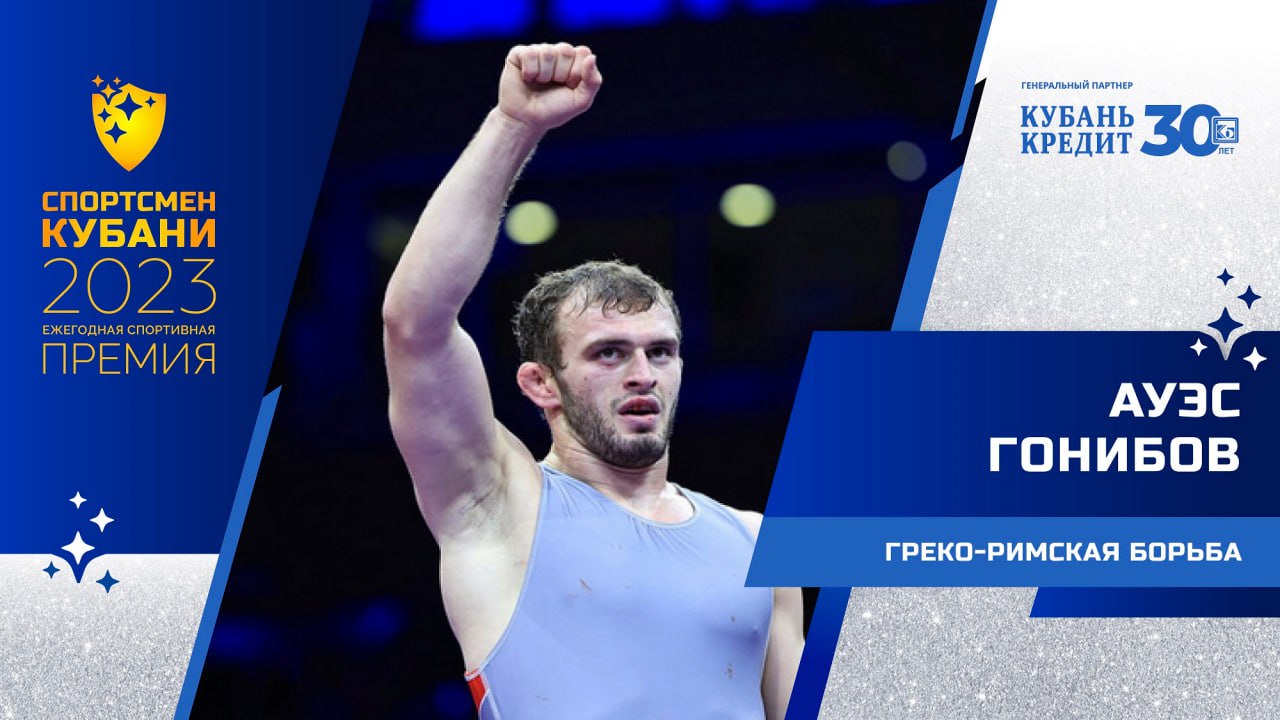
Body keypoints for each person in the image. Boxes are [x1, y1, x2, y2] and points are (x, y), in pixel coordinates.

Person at [382, 43, 803, 719]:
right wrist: (514, 125)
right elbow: (416, 323)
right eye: (609, 353)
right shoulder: (497, 505)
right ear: (540, 383)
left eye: (660, 352)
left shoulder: (757, 544)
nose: (642, 374)